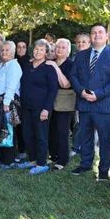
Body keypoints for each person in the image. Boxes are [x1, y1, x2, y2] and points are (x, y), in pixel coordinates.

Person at [70, 24, 110, 181]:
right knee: (85, 136)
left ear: (107, 36)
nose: (97, 35)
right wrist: (81, 92)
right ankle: (86, 163)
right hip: (85, 102)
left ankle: (103, 171)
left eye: (100, 32)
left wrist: (98, 94)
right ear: (90, 36)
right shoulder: (81, 55)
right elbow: (73, 76)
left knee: (105, 139)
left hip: (104, 104)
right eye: (94, 32)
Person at [17, 39, 58, 175]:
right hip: (26, 107)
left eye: (41, 50)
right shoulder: (27, 66)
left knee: (41, 135)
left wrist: (46, 108)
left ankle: (41, 163)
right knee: (27, 134)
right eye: (36, 49)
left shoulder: (49, 68)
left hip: (41, 108)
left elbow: (53, 90)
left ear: (46, 52)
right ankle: (33, 159)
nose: (38, 51)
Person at [46, 38, 75, 170]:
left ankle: (62, 160)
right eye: (58, 47)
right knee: (51, 129)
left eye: (63, 47)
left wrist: (55, 67)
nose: (60, 49)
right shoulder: (51, 62)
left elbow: (66, 84)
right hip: (50, 100)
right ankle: (53, 155)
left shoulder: (70, 64)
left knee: (62, 130)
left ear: (68, 51)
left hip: (64, 101)